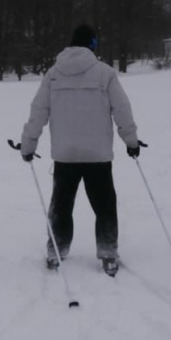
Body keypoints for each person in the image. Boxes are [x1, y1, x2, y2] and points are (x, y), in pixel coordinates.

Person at [20, 24, 145, 277]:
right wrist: (130, 141)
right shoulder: (104, 73)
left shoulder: (54, 74)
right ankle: (108, 253)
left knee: (61, 206)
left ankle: (56, 252)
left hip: (65, 155)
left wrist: (28, 144)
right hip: (97, 154)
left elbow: (38, 112)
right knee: (105, 205)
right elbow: (122, 109)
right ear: (92, 45)